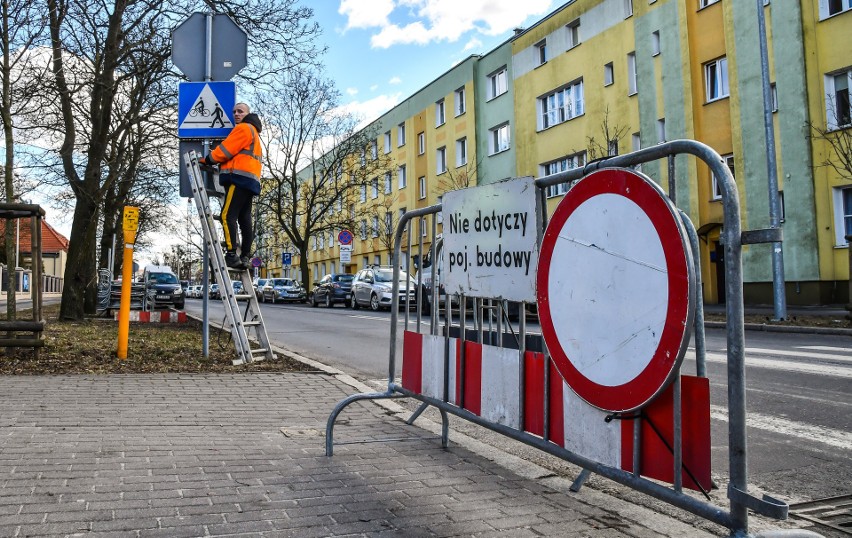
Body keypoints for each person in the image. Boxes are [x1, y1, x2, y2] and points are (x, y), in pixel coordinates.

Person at [199, 102, 262, 270]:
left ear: (248, 114)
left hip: (238, 179)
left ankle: (232, 255)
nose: (236, 114)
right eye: (233, 111)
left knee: (227, 215)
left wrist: (207, 159)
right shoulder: (254, 132)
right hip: (250, 181)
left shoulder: (243, 128)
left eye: (240, 111)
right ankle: (246, 257)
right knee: (244, 219)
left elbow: (225, 151)